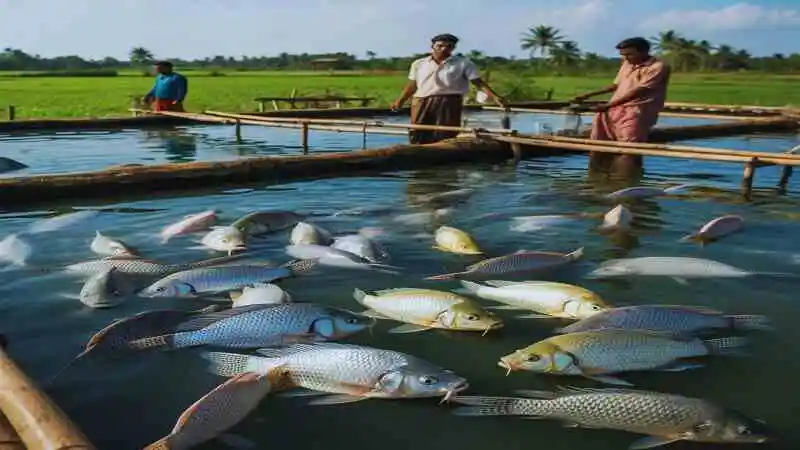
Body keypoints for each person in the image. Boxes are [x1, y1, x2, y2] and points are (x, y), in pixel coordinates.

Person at [571, 37, 671, 176]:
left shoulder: (658, 67)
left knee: (629, 149)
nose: (626, 58)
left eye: (630, 54)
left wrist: (609, 105)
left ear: (644, 52)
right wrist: (588, 95)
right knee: (598, 145)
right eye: (623, 55)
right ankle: (596, 178)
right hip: (612, 110)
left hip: (636, 111)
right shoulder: (627, 64)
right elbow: (616, 85)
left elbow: (640, 91)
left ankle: (625, 182)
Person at [390, 33, 506, 145]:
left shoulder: (463, 63)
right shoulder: (419, 63)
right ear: (433, 46)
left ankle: (444, 156)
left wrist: (495, 97)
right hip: (421, 101)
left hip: (449, 101)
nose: (444, 49)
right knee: (417, 131)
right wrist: (400, 101)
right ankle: (418, 152)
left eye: (448, 46)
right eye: (440, 46)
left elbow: (478, 82)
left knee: (446, 133)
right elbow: (413, 84)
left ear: (453, 48)